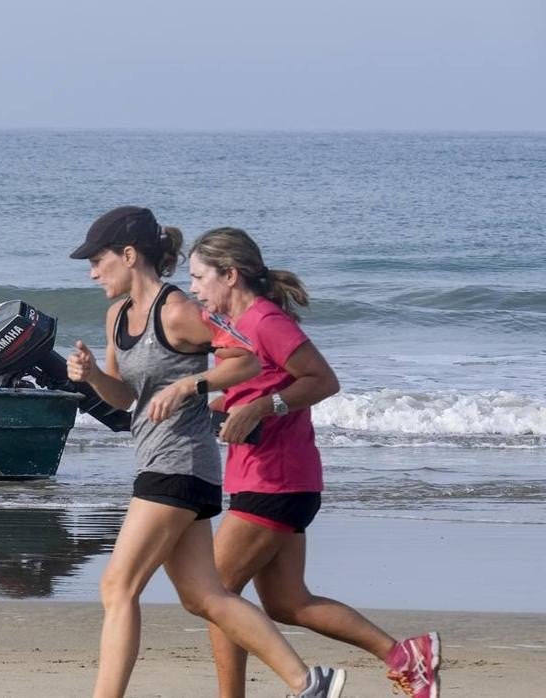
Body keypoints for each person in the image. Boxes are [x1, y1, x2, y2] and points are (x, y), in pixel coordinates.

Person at [67, 207, 346, 698]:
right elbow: (126, 397)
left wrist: (190, 386)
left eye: (98, 259)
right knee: (204, 596)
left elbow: (246, 359)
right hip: (159, 462)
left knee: (118, 586)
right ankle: (309, 681)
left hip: (181, 461)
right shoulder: (115, 316)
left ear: (129, 256)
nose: (92, 271)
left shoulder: (178, 310)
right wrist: (91, 376)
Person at [187, 227, 440, 698]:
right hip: (271, 477)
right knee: (287, 601)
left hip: (276, 478)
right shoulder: (234, 326)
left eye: (200, 277)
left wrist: (263, 408)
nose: (195, 288)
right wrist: (204, 404)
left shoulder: (265, 321)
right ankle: (405, 656)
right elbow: (249, 393)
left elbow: (323, 380)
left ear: (230, 274)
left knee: (215, 596)